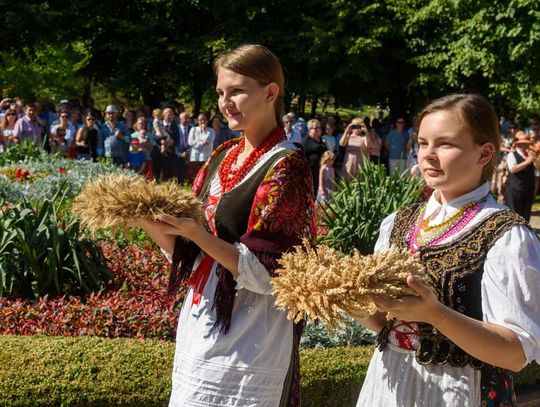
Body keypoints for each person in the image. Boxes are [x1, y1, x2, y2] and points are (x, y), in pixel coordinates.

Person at [132, 44, 315, 407]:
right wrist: (146, 221)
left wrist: (196, 233)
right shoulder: (222, 156)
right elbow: (193, 256)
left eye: (236, 91)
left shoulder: (286, 165)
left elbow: (271, 271)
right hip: (202, 319)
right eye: (220, 93)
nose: (225, 102)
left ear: (270, 92)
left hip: (252, 330)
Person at [352, 94, 540, 406]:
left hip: (461, 389)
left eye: (445, 144)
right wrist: (348, 297)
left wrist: (437, 315)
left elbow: (515, 354)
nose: (428, 155)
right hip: (389, 383)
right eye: (423, 143)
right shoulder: (398, 222)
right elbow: (385, 323)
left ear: (485, 153)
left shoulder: (506, 235)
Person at [504, 131, 537, 222]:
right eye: (523, 144)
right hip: (515, 190)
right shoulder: (512, 155)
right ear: (518, 145)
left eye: (526, 144)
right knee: (514, 215)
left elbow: (535, 172)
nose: (525, 146)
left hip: (528, 190)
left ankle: (525, 235)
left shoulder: (530, 155)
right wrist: (527, 162)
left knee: (526, 216)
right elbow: (513, 169)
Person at [302, 118, 327, 194]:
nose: (318, 130)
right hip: (308, 174)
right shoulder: (306, 141)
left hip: (319, 173)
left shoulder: (322, 140)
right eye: (316, 128)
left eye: (320, 128)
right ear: (309, 130)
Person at [187, 113, 215, 180]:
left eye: (204, 120)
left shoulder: (211, 131)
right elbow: (190, 142)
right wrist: (201, 143)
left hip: (206, 156)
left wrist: (203, 131)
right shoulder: (193, 129)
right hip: (195, 156)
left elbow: (209, 141)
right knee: (194, 174)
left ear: (207, 120)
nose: (202, 121)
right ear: (197, 121)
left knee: (205, 175)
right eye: (200, 120)